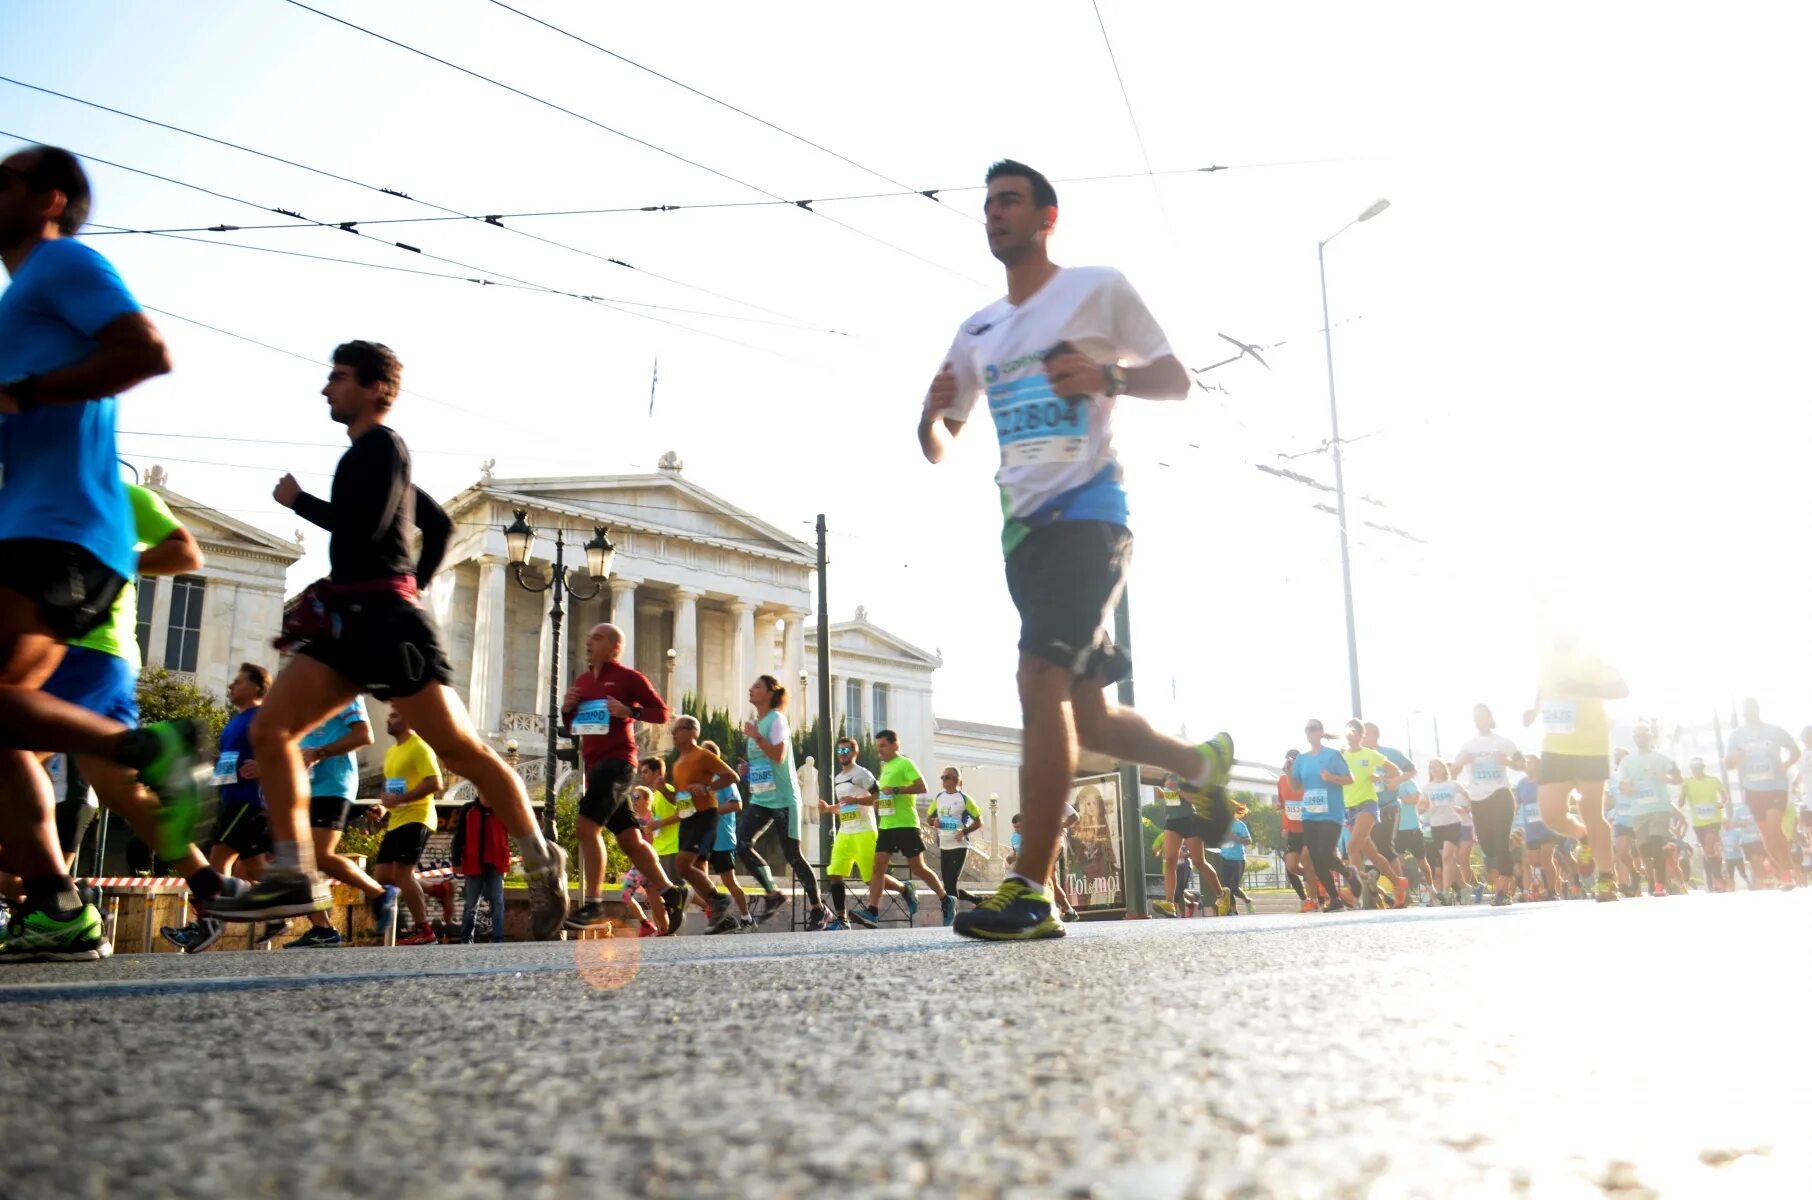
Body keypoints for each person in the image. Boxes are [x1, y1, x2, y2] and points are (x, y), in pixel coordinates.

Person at [919, 159, 1233, 940]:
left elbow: (1176, 379)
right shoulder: (978, 329)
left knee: (1038, 681)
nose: (995, 214)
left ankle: (1031, 889)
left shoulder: (1096, 288)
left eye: (1011, 201)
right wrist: (925, 419)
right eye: (988, 204)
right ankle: (1202, 764)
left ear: (1047, 217)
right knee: (1086, 721)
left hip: (1091, 516)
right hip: (1023, 535)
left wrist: (1107, 376)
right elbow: (941, 442)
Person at [206, 341, 569, 938]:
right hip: (351, 619)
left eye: (340, 378)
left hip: (381, 621)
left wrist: (302, 505)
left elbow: (365, 528)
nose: (328, 389)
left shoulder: (382, 447)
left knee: (461, 752)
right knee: (272, 729)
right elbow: (439, 524)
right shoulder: (375, 458)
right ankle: (295, 871)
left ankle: (539, 856)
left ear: (377, 388)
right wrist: (414, 585)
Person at [0, 143, 213, 963]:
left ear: (49, 198)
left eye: (3, 179)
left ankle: (146, 748)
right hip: (41, 527)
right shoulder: (23, 298)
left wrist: (28, 393)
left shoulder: (60, 264)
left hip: (60, 527)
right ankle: (57, 906)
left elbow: (146, 350)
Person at [558, 623, 682, 934]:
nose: (588, 641)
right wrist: (567, 709)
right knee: (629, 839)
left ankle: (593, 903)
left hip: (619, 763)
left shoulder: (629, 678)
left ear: (615, 647)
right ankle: (671, 891)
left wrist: (630, 710)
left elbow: (661, 712)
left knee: (586, 826)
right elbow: (575, 728)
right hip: (595, 766)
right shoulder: (584, 681)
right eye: (587, 637)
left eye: (596, 637)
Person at [1524, 632, 1628, 903]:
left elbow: (1621, 689)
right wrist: (1534, 710)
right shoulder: (1546, 659)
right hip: (1556, 746)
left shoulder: (1591, 660)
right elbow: (1543, 686)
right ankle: (1583, 837)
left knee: (1590, 809)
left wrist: (1580, 688)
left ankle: (1607, 880)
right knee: (1550, 813)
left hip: (1589, 744)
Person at [282, 697, 389, 949]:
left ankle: (381, 894)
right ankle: (322, 928)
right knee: (298, 858)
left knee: (320, 855)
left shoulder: (344, 694)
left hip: (333, 786)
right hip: (305, 787)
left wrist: (319, 752)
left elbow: (365, 736)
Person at [737, 674, 827, 929]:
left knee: (793, 855)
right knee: (742, 845)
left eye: (757, 686)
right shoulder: (757, 724)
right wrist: (748, 769)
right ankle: (773, 893)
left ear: (770, 693)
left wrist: (756, 736)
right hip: (761, 798)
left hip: (784, 799)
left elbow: (778, 755)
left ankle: (818, 908)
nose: (751, 689)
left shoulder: (776, 720)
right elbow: (764, 761)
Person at [854, 729, 947, 927]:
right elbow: (881, 796)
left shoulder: (905, 763)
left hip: (906, 824)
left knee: (918, 867)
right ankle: (873, 911)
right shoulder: (885, 768)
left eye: (883, 746)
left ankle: (945, 899)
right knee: (877, 868)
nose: (880, 750)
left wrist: (896, 790)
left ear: (895, 745)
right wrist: (857, 801)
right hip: (887, 825)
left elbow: (923, 787)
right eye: (877, 747)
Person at [371, 708, 444, 944]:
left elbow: (436, 782)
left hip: (417, 817)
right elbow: (395, 789)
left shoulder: (420, 747)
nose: (388, 718)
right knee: (382, 874)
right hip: (397, 820)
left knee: (402, 874)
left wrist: (400, 800)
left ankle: (425, 931)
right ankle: (436, 890)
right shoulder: (392, 751)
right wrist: (382, 808)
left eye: (394, 715)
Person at [819, 736, 906, 930]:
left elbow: (879, 796)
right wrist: (828, 809)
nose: (842, 754)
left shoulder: (862, 774)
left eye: (846, 750)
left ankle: (904, 888)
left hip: (865, 832)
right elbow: (844, 806)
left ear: (855, 752)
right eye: (839, 751)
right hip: (845, 833)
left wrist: (857, 801)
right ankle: (842, 920)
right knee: (835, 873)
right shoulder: (838, 778)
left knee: (870, 878)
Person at [668, 715, 741, 935]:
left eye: (678, 729)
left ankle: (720, 899)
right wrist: (662, 788)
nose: (673, 733)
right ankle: (725, 919)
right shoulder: (677, 763)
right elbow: (679, 799)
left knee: (682, 865)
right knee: (692, 870)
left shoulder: (703, 755)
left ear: (692, 732)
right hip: (688, 816)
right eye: (673, 730)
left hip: (705, 815)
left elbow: (732, 776)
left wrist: (707, 787)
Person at [1452, 704, 1527, 907]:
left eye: (1482, 716)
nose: (1479, 720)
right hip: (1478, 800)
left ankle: (1504, 891)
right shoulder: (1469, 745)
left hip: (1500, 795)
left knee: (1501, 844)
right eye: (1476, 717)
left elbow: (1523, 765)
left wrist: (1508, 763)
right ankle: (1503, 882)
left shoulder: (1503, 742)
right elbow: (1453, 772)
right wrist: (1462, 763)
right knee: (1487, 846)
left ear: (1490, 718)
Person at [1723, 698, 1801, 889]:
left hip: (1775, 786)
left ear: (1758, 709)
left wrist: (1787, 764)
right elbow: (1728, 764)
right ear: (1743, 712)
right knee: (1767, 838)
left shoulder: (1774, 731)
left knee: (1774, 829)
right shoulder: (1736, 735)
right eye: (1746, 709)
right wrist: (1735, 760)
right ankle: (1787, 868)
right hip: (1752, 789)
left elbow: (1795, 751)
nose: (1749, 712)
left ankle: (1786, 875)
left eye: (1752, 708)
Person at [1341, 719, 1408, 908]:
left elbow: (1396, 770)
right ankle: (1398, 881)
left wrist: (1380, 777)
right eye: (1348, 731)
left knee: (1353, 848)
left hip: (1368, 805)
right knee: (1374, 854)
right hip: (1350, 809)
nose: (1351, 735)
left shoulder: (1370, 754)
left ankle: (1355, 893)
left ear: (1362, 735)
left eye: (1355, 731)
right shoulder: (1342, 756)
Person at [1291, 721, 1352, 911]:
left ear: (1321, 732)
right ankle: (1335, 898)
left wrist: (1332, 778)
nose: (1310, 733)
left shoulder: (1332, 755)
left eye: (1313, 729)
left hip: (1330, 813)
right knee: (1315, 858)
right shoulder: (1301, 759)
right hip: (1310, 814)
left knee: (1324, 854)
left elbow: (1350, 778)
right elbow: (1295, 786)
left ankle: (1348, 873)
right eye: (1307, 729)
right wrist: (1289, 770)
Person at [1616, 724, 1683, 898]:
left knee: (1655, 843)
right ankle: (1666, 852)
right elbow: (1621, 786)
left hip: (1659, 808)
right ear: (1634, 738)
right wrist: (1627, 788)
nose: (1641, 737)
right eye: (1637, 735)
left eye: (1644, 734)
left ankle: (1659, 886)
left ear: (1650, 736)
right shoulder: (1627, 762)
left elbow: (1678, 778)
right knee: (1644, 849)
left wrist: (1666, 777)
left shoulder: (1662, 758)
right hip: (1638, 811)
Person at [1157, 768, 1230, 918]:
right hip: (1172, 822)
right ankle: (1169, 903)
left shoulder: (1188, 776)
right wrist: (1163, 793)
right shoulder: (1169, 776)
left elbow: (1194, 800)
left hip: (1190, 820)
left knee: (1198, 861)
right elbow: (1170, 798)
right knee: (1170, 860)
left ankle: (1221, 894)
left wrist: (1176, 789)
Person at [701, 739, 753, 931]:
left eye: (704, 754)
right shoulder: (700, 780)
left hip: (722, 839)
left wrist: (712, 811)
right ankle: (724, 919)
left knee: (729, 881)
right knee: (700, 880)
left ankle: (747, 918)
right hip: (704, 838)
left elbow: (737, 804)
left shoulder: (723, 779)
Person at [927, 766, 984, 926]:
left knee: (950, 883)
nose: (943, 780)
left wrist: (964, 831)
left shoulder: (964, 799)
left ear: (955, 780)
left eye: (946, 777)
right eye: (942, 777)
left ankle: (950, 917)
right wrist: (934, 822)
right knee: (947, 885)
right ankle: (977, 900)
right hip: (944, 845)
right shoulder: (939, 797)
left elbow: (980, 822)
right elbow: (929, 819)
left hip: (959, 846)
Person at [451, 792, 510, 944]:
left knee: (497, 901)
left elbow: (508, 836)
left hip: (495, 864)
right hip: (473, 863)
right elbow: (459, 836)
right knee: (471, 904)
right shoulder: (468, 809)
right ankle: (466, 939)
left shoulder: (502, 810)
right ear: (479, 793)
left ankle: (498, 939)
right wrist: (456, 861)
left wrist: (505, 863)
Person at [1362, 722, 1416, 870]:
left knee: (1385, 848)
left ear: (1376, 736)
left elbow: (1411, 770)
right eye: (1362, 734)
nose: (1364, 737)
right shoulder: (1359, 757)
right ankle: (1375, 887)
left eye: (1368, 734)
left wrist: (1395, 781)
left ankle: (1400, 887)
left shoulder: (1390, 753)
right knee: (1368, 848)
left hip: (1388, 805)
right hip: (1366, 808)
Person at [1422, 760, 1472, 904]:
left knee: (1447, 856)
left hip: (1453, 823)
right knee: (1448, 859)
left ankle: (1446, 891)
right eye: (1431, 767)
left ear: (1444, 769)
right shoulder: (1427, 787)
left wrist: (1466, 809)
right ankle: (1464, 887)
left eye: (1437, 766)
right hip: (1436, 825)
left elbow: (1469, 797)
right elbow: (1422, 805)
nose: (1434, 769)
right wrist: (1424, 808)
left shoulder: (1453, 785)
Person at [1680, 757, 1728, 891]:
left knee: (1709, 845)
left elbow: (1725, 797)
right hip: (1698, 822)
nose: (1697, 771)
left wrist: (1721, 803)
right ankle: (1712, 878)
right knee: (1708, 851)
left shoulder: (1714, 780)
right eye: (1694, 769)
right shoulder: (1687, 783)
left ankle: (1718, 879)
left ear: (1703, 768)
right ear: (1691, 770)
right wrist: (1683, 794)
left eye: (1699, 768)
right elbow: (1680, 803)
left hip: (1713, 819)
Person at [1516, 754, 1559, 900]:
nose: (1528, 764)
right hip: (1531, 828)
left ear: (1537, 764)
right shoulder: (1521, 784)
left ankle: (1552, 891)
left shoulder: (1545, 781)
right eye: (1526, 762)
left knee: (1546, 857)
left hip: (1548, 825)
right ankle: (1543, 881)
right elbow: (1516, 805)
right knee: (1534, 861)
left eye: (1531, 762)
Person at [1276, 752, 1309, 904]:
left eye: (1294, 761)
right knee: (1291, 866)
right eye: (1288, 761)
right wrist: (1285, 826)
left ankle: (1315, 897)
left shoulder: (1307, 780)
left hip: (1308, 828)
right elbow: (1283, 806)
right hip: (1292, 830)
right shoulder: (1282, 781)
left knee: (1307, 860)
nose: (1291, 763)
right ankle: (1307, 894)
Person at [1217, 803, 1254, 914]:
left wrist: (1236, 838)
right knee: (1226, 888)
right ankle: (1234, 912)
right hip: (1224, 857)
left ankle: (1247, 900)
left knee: (1234, 887)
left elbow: (1249, 841)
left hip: (1237, 859)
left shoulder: (1239, 825)